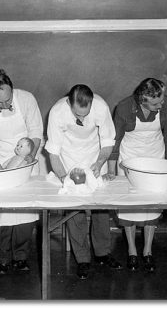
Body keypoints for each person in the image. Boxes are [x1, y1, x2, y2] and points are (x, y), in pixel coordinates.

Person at [45, 84, 123, 280]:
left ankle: (103, 253)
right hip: (68, 156)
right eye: (78, 115)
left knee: (100, 206)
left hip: (95, 155)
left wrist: (98, 163)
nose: (82, 118)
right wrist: (65, 179)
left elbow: (107, 142)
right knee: (75, 209)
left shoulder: (101, 107)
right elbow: (53, 152)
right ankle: (82, 259)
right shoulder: (57, 112)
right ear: (69, 103)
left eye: (86, 114)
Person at [0, 69, 43, 274]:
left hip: (26, 157)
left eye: (8, 100)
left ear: (13, 91)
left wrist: (29, 156)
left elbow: (35, 131)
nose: (5, 105)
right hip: (1, 159)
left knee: (26, 214)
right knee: (3, 214)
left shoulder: (27, 99)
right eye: (0, 103)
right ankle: (2, 258)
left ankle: (21, 257)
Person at [107, 78, 167, 273]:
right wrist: (112, 172)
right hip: (129, 158)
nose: (161, 105)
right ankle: (131, 250)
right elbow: (115, 140)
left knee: (151, 206)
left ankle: (147, 250)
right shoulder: (123, 108)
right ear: (142, 100)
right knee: (129, 205)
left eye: (161, 100)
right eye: (156, 103)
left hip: (156, 155)